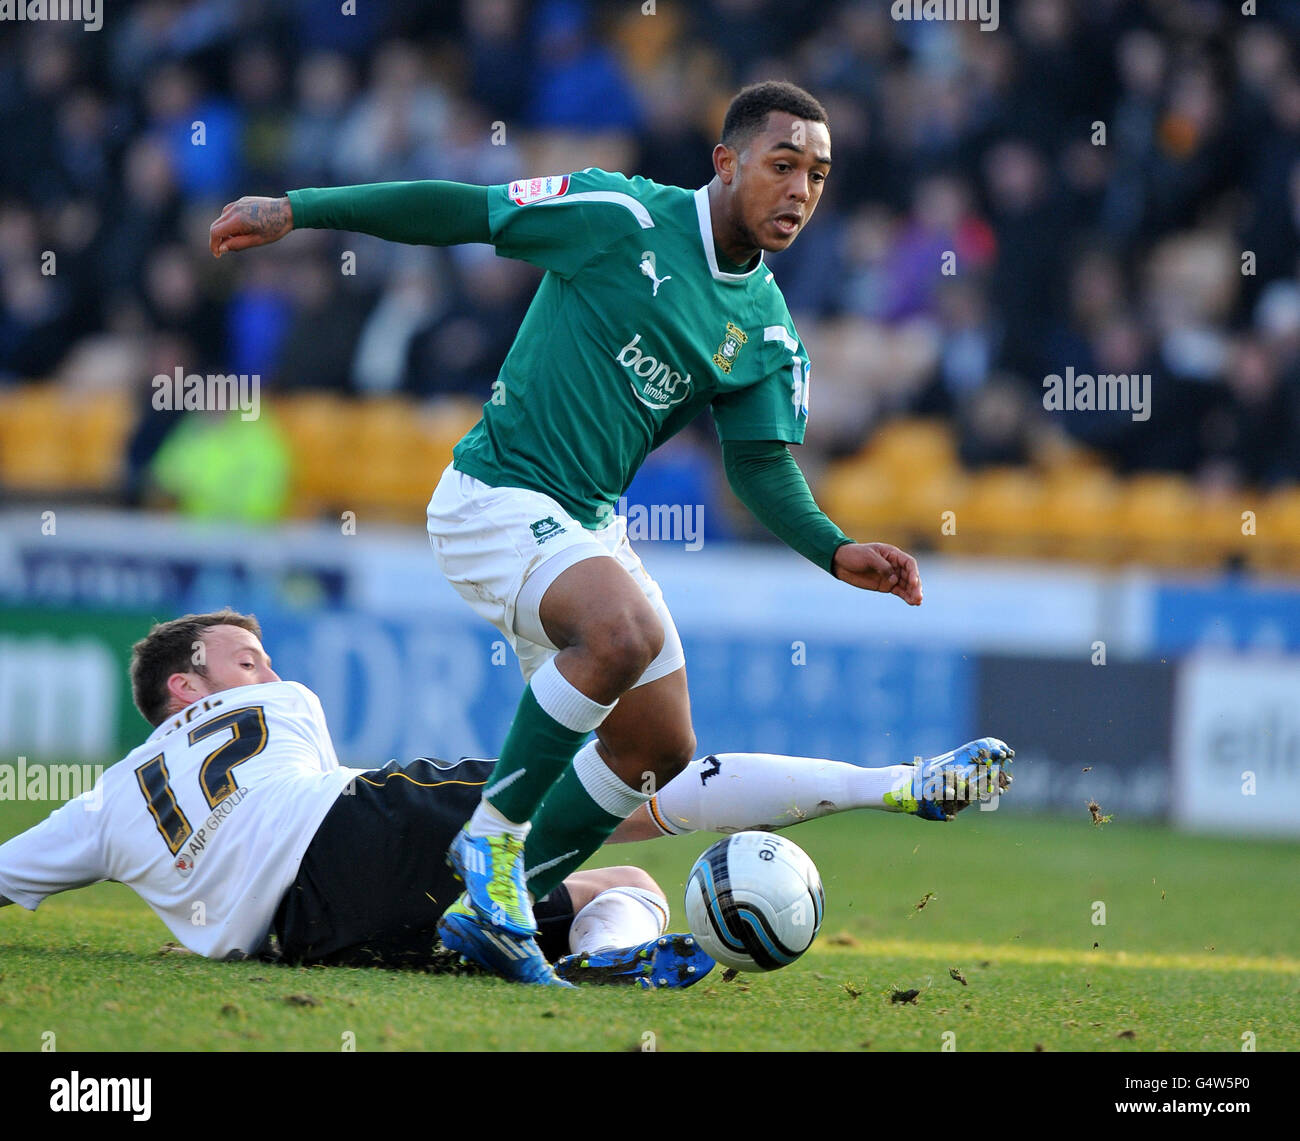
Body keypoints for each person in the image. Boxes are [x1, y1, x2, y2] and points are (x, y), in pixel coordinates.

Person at [208, 81, 1003, 984]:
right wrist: (299, 209)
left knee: (658, 749)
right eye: (783, 165)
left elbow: (760, 466)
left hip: (583, 523)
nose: (799, 191)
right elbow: (463, 211)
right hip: (493, 496)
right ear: (727, 161)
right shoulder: (619, 213)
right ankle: (496, 845)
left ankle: (495, 917)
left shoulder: (768, 330)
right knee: (622, 630)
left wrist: (833, 545)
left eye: (817, 176)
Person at [0, 611, 710, 990]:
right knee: (593, 793)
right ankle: (772, 797)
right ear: (184, 685)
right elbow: (316, 809)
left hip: (310, 938)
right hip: (357, 833)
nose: (269, 671)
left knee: (613, 878)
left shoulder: (103, 805)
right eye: (248, 660)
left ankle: (592, 962)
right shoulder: (286, 701)